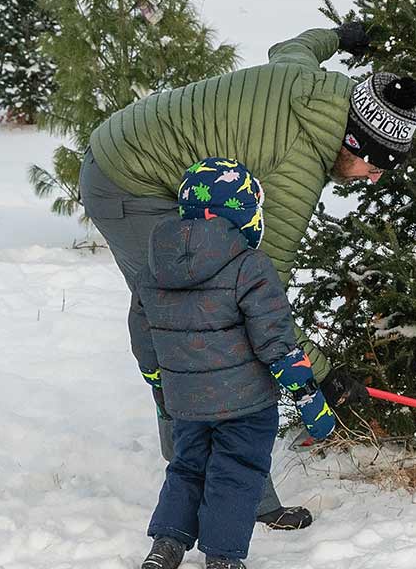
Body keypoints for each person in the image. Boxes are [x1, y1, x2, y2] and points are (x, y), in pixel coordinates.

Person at [79, 25, 416, 528]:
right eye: (376, 165)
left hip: (127, 140)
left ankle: (230, 485)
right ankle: (207, 486)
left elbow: (293, 47)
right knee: (193, 322)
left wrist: (340, 36)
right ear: (354, 143)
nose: (375, 178)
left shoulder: (311, 82)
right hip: (130, 185)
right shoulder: (296, 167)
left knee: (192, 321)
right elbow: (259, 298)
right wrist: (324, 374)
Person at [135, 159, 339, 569]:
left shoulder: (154, 265)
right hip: (244, 404)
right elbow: (276, 340)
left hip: (186, 401)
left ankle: (166, 546)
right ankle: (223, 557)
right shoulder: (250, 266)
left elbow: (142, 333)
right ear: (246, 213)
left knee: (187, 466)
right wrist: (306, 394)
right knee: (237, 471)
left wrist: (159, 386)